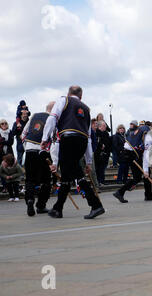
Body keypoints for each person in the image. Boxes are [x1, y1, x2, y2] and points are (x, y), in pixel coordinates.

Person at [41, 85, 105, 219]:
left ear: (68, 93)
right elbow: (88, 137)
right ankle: (58, 208)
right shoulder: (86, 109)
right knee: (67, 174)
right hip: (81, 142)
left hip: (68, 139)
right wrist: (88, 161)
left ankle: (95, 205)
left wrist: (45, 138)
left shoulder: (64, 100)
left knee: (75, 173)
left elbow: (52, 118)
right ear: (81, 96)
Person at [113, 119, 152, 203]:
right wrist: (145, 170)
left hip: (132, 154)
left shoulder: (144, 130)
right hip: (133, 155)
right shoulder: (148, 133)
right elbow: (146, 153)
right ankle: (120, 192)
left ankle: (148, 194)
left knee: (142, 176)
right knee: (139, 176)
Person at [21, 102, 54, 216]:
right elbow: (53, 138)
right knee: (46, 180)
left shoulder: (34, 116)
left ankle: (30, 200)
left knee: (30, 179)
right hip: (43, 151)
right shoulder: (53, 118)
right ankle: (40, 205)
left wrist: (27, 147)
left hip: (29, 151)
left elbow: (23, 135)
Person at [95, 120, 112, 186]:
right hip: (99, 154)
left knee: (103, 168)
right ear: (100, 126)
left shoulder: (106, 133)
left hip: (106, 153)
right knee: (98, 168)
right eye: (104, 125)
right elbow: (97, 142)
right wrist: (101, 145)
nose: (105, 127)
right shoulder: (97, 133)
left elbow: (109, 143)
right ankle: (98, 181)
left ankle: (102, 180)